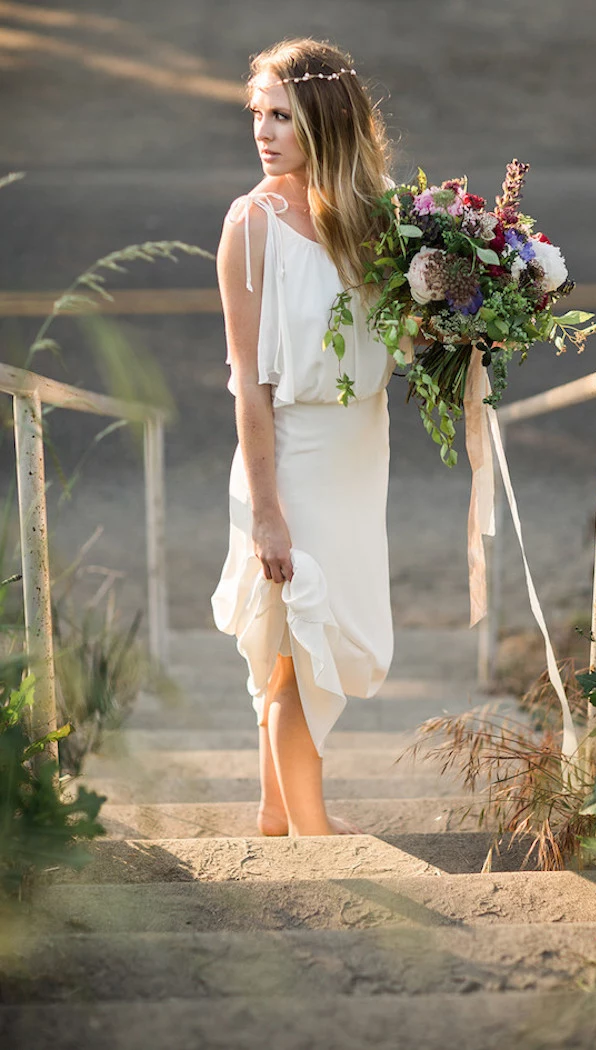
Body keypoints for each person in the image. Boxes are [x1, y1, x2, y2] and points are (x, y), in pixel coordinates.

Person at [210, 38, 396, 837]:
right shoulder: (250, 226)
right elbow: (249, 388)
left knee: (297, 643)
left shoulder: (375, 212)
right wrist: (266, 510)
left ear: (325, 118)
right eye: (258, 113)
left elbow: (398, 331)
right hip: (293, 460)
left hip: (361, 453)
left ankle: (274, 816)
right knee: (301, 641)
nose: (264, 130)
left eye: (282, 115)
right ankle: (318, 839)